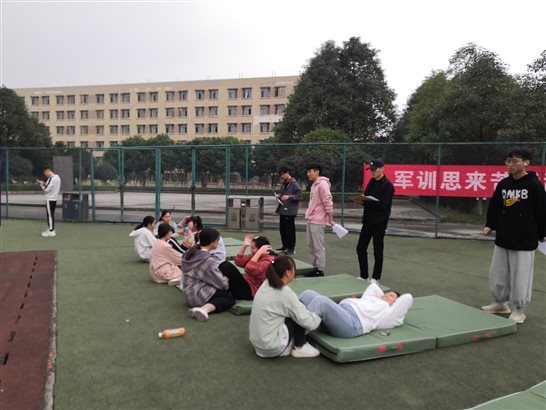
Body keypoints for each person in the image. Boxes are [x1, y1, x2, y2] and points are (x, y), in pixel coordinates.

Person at [481, 148, 546, 324]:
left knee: (520, 277)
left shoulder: (534, 185)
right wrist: (490, 225)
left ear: (526, 163)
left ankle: (519, 309)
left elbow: (542, 211)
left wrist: (542, 233)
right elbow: (495, 206)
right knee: (498, 273)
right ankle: (500, 303)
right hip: (503, 237)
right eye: (508, 161)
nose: (510, 165)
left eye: (515, 161)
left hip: (524, 240)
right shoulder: (504, 184)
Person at [249, 255, 322, 358]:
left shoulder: (266, 283)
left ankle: (288, 345)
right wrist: (319, 317)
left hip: (258, 345)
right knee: (298, 312)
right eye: (293, 269)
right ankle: (300, 346)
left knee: (296, 308)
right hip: (271, 347)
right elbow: (308, 322)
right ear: (288, 272)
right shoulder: (284, 293)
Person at [299, 283, 413, 338]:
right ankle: (290, 324)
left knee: (321, 302)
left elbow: (407, 298)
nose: (387, 295)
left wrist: (393, 303)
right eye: (387, 293)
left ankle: (296, 339)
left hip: (352, 325)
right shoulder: (371, 299)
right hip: (341, 313)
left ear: (396, 303)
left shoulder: (388, 313)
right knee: (308, 293)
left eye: (391, 296)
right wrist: (384, 297)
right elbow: (373, 286)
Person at [182, 227, 235, 322]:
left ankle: (202, 308)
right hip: (197, 296)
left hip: (188, 292)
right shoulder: (206, 260)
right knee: (228, 298)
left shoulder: (190, 252)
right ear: (213, 242)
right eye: (218, 241)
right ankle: (204, 309)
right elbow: (219, 281)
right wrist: (227, 286)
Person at [355, 160, 395, 283]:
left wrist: (367, 203)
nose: (372, 172)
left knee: (377, 249)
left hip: (379, 222)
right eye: (371, 169)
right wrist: (361, 200)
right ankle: (364, 275)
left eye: (375, 169)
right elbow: (366, 197)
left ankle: (376, 278)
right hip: (367, 220)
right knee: (360, 247)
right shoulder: (371, 182)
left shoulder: (388, 186)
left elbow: (383, 205)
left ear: (382, 169)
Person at [220, 235, 275, 300]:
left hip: (251, 292)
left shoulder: (269, 261)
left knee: (227, 266)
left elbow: (249, 269)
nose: (251, 251)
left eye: (253, 248)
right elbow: (238, 261)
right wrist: (244, 246)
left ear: (261, 249)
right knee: (223, 266)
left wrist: (259, 253)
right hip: (246, 284)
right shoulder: (255, 256)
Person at [304, 163, 335, 277]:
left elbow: (328, 201)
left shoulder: (323, 184)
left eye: (310, 171)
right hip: (311, 219)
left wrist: (330, 219)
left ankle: (320, 270)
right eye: (307, 172)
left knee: (318, 247)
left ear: (317, 172)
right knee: (311, 246)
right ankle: (315, 267)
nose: (308, 174)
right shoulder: (314, 185)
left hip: (318, 221)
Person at [275, 166, 302, 255]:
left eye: (283, 174)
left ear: (287, 173)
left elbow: (299, 195)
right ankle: (285, 246)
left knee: (290, 230)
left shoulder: (294, 183)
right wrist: (279, 196)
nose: (282, 176)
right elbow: (283, 194)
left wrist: (289, 197)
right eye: (281, 175)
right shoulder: (285, 183)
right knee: (283, 229)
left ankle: (291, 248)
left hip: (290, 211)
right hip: (283, 209)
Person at [38, 166, 61, 237]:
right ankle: (51, 229)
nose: (45, 175)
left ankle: (51, 231)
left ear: (47, 171)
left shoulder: (51, 178)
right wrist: (44, 183)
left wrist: (42, 185)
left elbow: (47, 189)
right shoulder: (57, 177)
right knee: (51, 215)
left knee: (50, 215)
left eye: (45, 173)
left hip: (50, 199)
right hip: (54, 198)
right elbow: (50, 186)